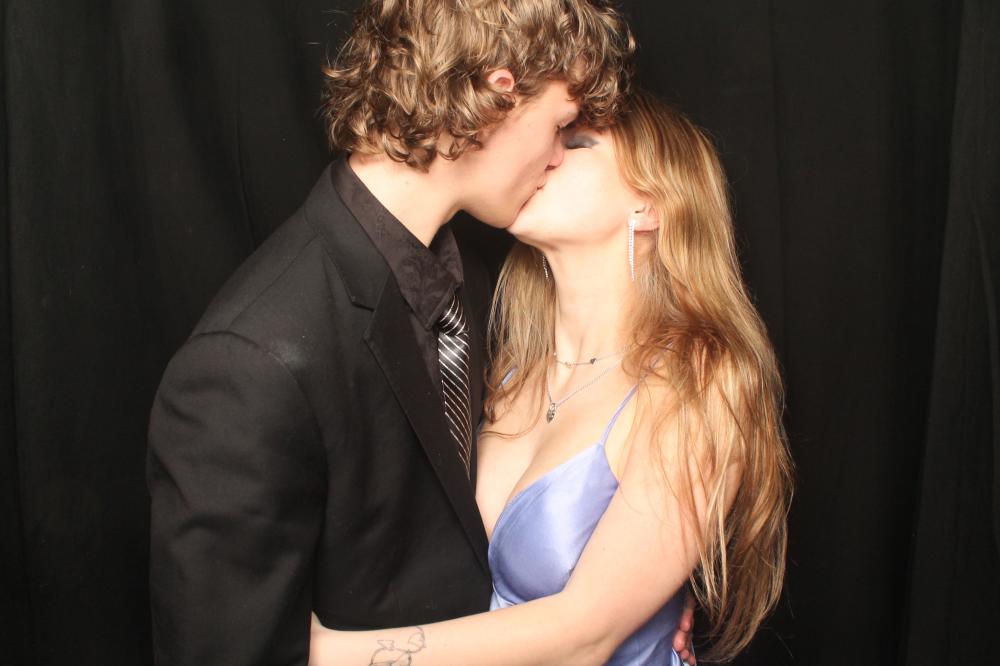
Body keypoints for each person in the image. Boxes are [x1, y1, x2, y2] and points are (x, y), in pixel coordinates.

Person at [146, 1, 697, 664]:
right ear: (500, 93)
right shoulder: (249, 365)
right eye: (560, 126)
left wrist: (647, 591)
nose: (556, 155)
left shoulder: (487, 273)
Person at [307, 89, 793, 664]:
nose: (545, 155)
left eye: (577, 143)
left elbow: (585, 636)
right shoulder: (500, 362)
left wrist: (327, 654)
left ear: (650, 205)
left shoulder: (701, 383)